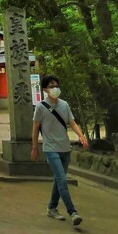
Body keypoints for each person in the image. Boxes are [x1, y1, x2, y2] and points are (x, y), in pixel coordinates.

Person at [31, 75, 89, 226]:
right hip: (50, 148)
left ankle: (52, 207)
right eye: (51, 86)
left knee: (59, 179)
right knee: (62, 180)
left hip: (65, 147)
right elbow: (36, 128)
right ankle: (73, 212)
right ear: (45, 89)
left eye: (56, 85)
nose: (55, 88)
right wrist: (34, 147)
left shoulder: (64, 105)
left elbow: (72, 122)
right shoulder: (40, 107)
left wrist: (81, 135)